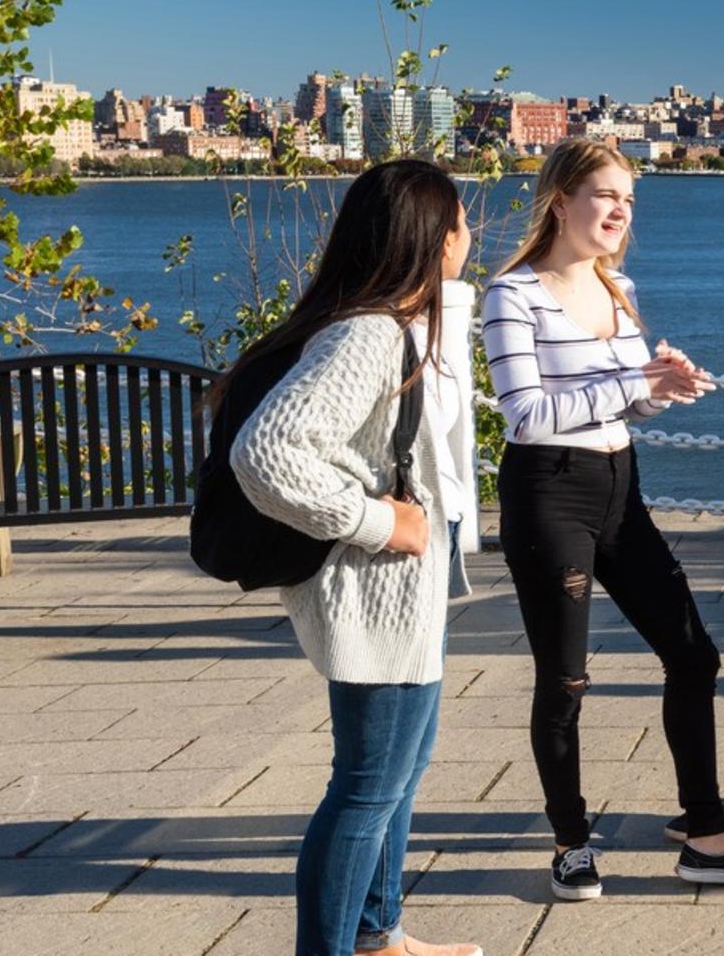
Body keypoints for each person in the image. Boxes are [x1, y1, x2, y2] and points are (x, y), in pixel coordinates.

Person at [484, 139, 724, 898]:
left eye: (629, 199)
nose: (621, 210)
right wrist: (633, 382)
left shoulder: (617, 286)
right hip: (549, 492)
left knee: (694, 656)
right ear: (561, 201)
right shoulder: (511, 294)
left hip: (620, 487)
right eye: (606, 195)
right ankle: (570, 843)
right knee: (566, 680)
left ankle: (708, 841)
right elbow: (526, 415)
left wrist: (662, 388)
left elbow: (624, 404)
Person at [227, 158, 484, 956]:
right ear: (435, 239)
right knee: (367, 790)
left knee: (395, 779)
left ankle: (379, 937)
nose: (471, 236)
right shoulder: (368, 334)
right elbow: (266, 452)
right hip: (376, 591)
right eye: (462, 223)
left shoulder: (395, 323)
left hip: (404, 591)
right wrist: (376, 523)